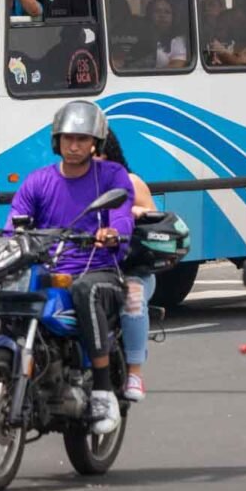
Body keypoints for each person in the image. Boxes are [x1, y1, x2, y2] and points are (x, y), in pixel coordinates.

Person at [4, 101, 134, 434]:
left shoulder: (111, 175)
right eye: (67, 138)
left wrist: (113, 233)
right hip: (49, 270)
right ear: (56, 141)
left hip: (100, 270)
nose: (73, 146)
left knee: (84, 290)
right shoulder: (38, 181)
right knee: (9, 286)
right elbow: (14, 224)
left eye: (81, 139)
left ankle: (103, 390)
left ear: (95, 143)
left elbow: (121, 213)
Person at [95, 130, 156, 402]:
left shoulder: (130, 182)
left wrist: (131, 213)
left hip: (130, 269)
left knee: (133, 298)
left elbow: (152, 219)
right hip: (87, 267)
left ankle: (134, 373)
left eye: (96, 153)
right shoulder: (69, 184)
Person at [146, 0, 187, 69]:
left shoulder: (177, 41)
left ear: (173, 16)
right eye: (157, 11)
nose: (162, 15)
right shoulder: (141, 35)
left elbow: (176, 66)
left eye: (167, 12)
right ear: (150, 14)